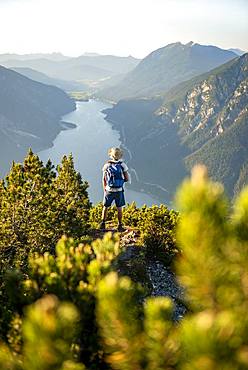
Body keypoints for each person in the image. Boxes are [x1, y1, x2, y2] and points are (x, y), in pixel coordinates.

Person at [99, 147, 129, 232]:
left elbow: (103, 179)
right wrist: (120, 182)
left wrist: (105, 189)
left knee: (105, 207)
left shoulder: (107, 165)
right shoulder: (122, 165)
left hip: (109, 190)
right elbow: (126, 179)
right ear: (120, 156)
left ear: (111, 155)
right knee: (119, 208)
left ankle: (102, 224)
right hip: (119, 190)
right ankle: (119, 225)